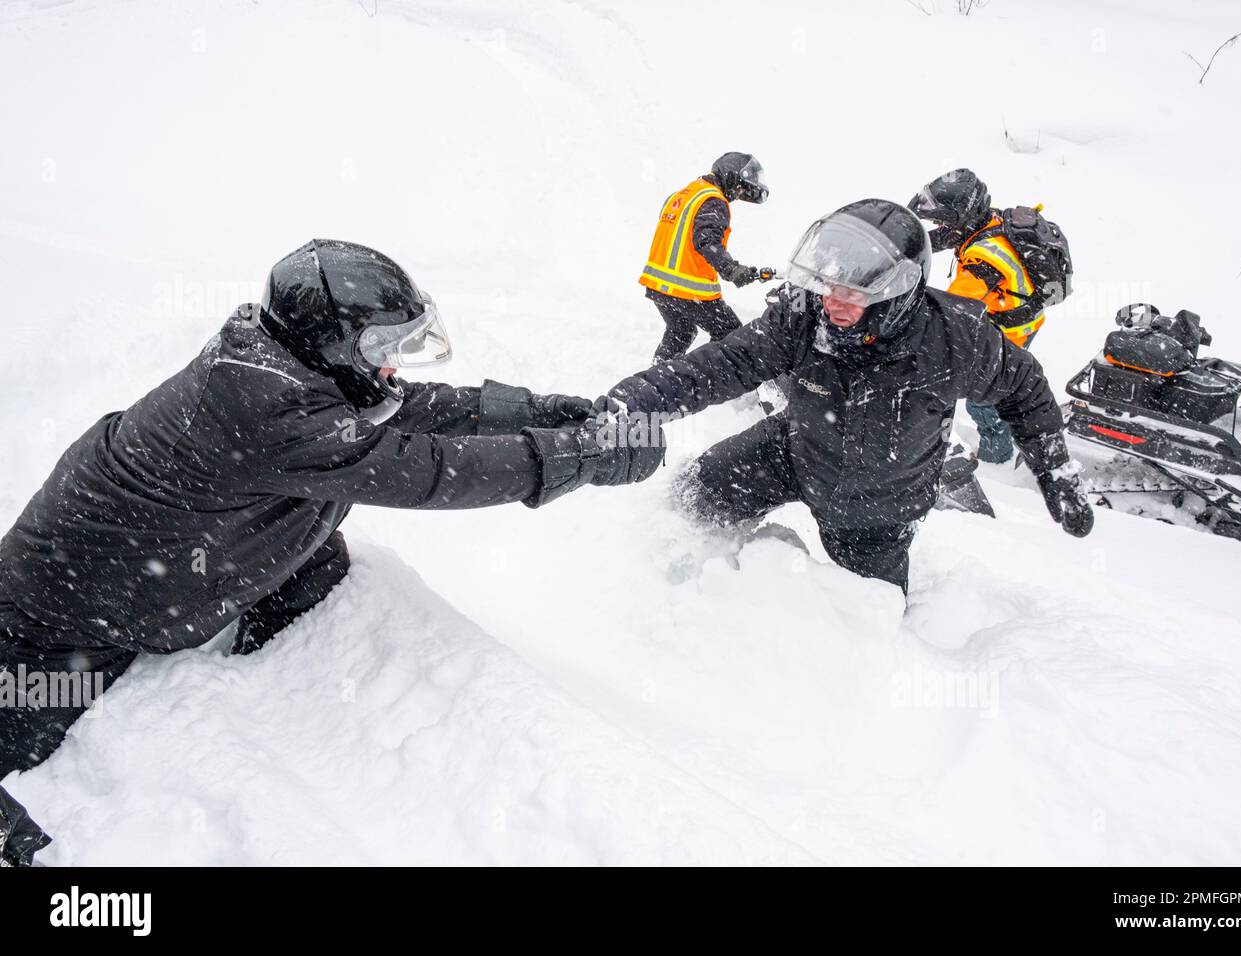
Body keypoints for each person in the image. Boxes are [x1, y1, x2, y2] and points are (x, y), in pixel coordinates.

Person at [0, 239, 664, 866]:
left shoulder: (286, 365)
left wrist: (540, 412)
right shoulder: (269, 407)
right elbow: (425, 469)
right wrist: (583, 457)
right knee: (25, 724)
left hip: (181, 557)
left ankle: (262, 672)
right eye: (380, 345)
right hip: (71, 596)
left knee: (321, 565)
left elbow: (406, 410)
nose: (392, 362)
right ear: (330, 344)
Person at [607, 199, 1093, 596]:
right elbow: (724, 364)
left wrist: (1055, 471)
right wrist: (633, 402)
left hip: (878, 506)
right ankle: (668, 589)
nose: (833, 303)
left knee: (864, 622)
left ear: (897, 291)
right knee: (692, 496)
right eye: (828, 287)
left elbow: (1026, 388)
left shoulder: (955, 339)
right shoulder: (805, 314)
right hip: (795, 450)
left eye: (853, 294)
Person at [908, 168, 1071, 463]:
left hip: (1010, 331)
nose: (940, 225)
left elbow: (951, 308)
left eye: (943, 219)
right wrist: (904, 244)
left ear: (961, 217)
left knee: (983, 401)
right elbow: (948, 236)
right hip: (1020, 316)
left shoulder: (982, 263)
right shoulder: (990, 220)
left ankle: (997, 459)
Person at [638, 152, 776, 363]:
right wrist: (732, 269)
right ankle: (705, 384)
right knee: (729, 335)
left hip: (658, 284)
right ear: (730, 176)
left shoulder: (684, 194)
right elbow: (707, 242)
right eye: (739, 188)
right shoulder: (713, 200)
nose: (738, 195)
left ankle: (656, 378)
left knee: (681, 331)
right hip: (687, 289)